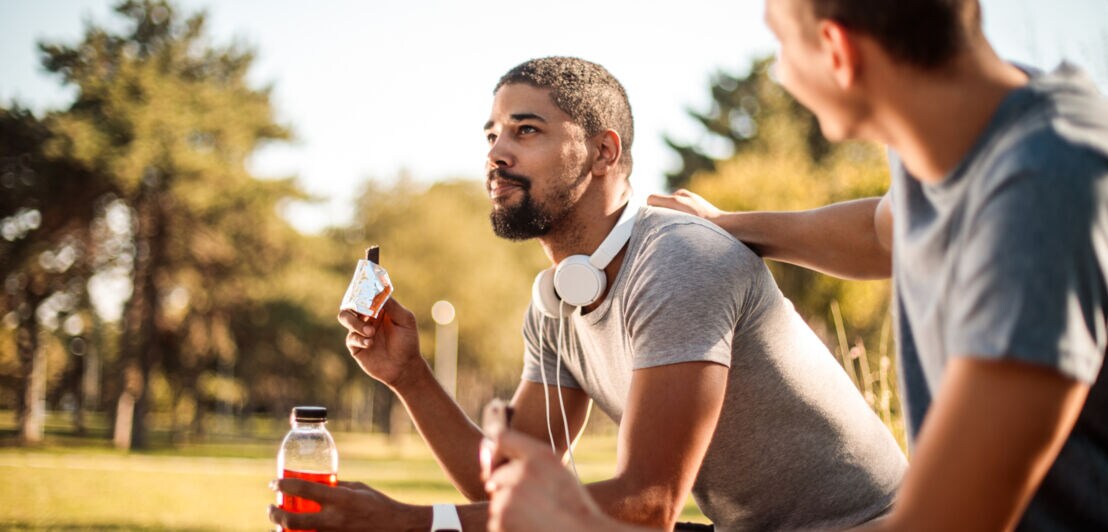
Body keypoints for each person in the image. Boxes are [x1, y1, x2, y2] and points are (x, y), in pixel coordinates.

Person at [485, 1, 1108, 531]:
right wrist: (732, 228)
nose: (781, 72)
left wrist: (579, 521)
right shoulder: (970, 134)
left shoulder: (1042, 193)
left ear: (837, 50)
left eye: (783, 43)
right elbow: (878, 231)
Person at [268, 56, 907, 531]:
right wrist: (408, 375)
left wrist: (411, 521)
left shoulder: (678, 258)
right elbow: (506, 488)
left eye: (525, 131)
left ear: (604, 152)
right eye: (490, 135)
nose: (495, 154)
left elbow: (648, 505)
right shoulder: (556, 302)